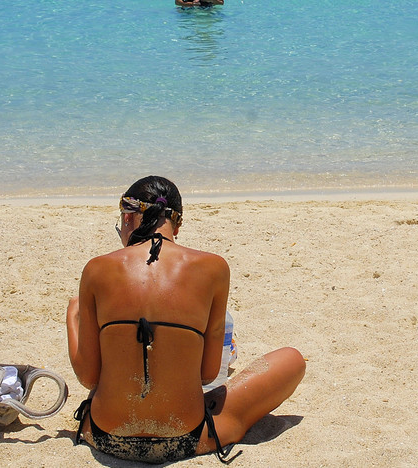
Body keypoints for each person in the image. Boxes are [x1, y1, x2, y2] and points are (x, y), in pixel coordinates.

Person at [67, 176, 304, 464]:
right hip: (187, 438)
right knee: (292, 360)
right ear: (177, 226)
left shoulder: (96, 269)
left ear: (128, 218)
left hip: (107, 435)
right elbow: (207, 374)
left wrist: (72, 316)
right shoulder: (214, 268)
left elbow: (88, 377)